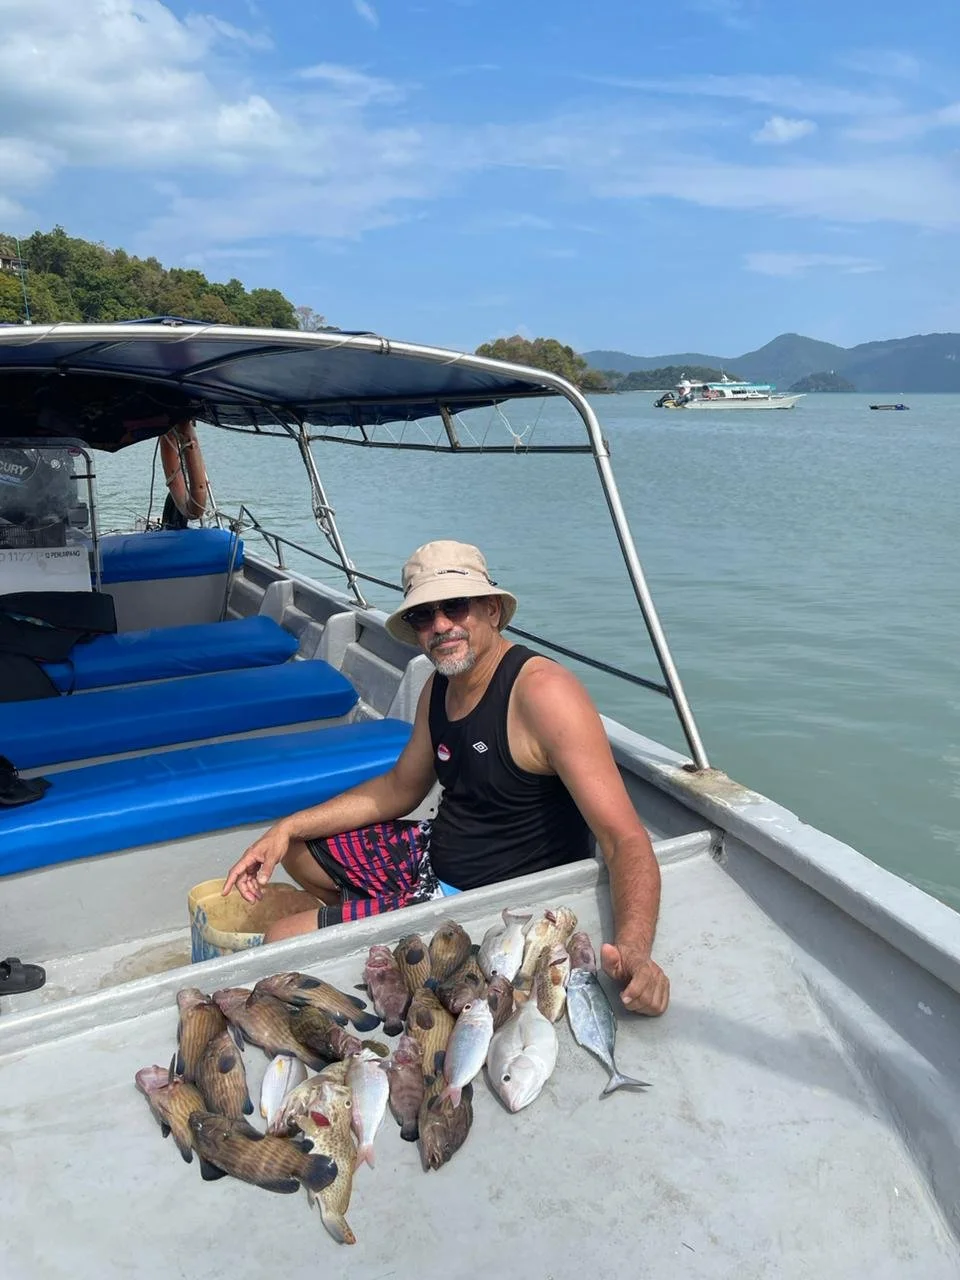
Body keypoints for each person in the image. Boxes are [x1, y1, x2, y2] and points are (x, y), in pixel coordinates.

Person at [222, 540, 670, 1015]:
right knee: (297, 849)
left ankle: (386, 933)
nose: (440, 626)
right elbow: (400, 788)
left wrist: (636, 950)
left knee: (280, 939)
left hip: (484, 897)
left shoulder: (543, 694)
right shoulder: (440, 686)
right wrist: (287, 826)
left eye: (455, 606)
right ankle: (372, 922)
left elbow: (623, 838)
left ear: (492, 611)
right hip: (435, 853)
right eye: (423, 615)